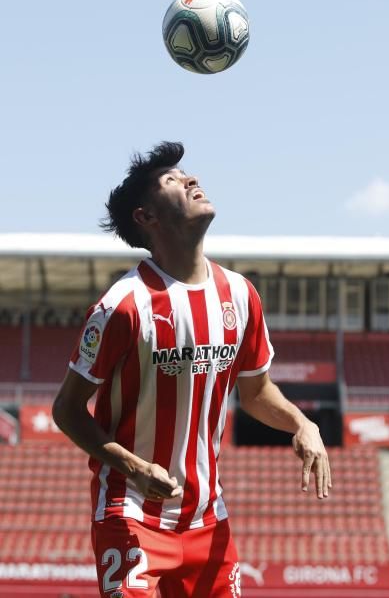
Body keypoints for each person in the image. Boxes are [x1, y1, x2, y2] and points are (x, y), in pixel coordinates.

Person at [52, 141, 332, 598]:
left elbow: (257, 394)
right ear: (146, 217)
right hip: (131, 514)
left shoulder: (240, 295)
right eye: (171, 181)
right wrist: (137, 467)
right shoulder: (122, 306)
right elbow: (66, 410)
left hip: (208, 519)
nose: (190, 180)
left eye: (187, 174)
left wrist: (302, 423)